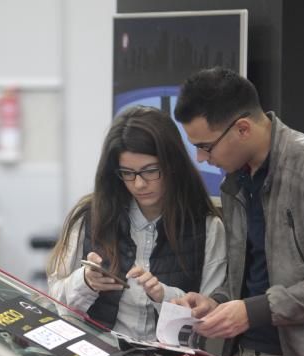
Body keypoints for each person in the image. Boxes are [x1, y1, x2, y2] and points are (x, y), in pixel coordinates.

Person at [173, 67, 304, 356]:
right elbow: (250, 271)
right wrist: (216, 302)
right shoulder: (235, 181)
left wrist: (253, 311)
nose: (201, 158)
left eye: (206, 146)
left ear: (242, 128)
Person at [47, 105, 226, 341]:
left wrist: (164, 296)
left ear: (173, 165)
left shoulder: (208, 227)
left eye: (150, 171)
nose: (139, 184)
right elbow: (55, 301)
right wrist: (86, 282)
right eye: (127, 173)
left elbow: (210, 318)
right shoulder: (90, 217)